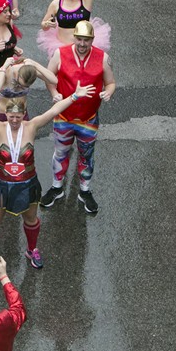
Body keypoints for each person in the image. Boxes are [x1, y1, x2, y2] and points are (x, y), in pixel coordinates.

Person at [0, 83, 94, 277]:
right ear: (6, 114)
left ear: (23, 115)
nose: (14, 121)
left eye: (18, 117)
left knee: (31, 220)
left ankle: (32, 250)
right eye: (11, 116)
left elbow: (54, 109)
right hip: (3, 185)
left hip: (27, 184)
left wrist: (75, 96)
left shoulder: (32, 125)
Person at [42, 21, 116, 215]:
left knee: (86, 155)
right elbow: (49, 77)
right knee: (60, 153)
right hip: (63, 116)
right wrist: (53, 93)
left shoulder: (102, 58)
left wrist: (108, 92)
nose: (82, 44)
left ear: (92, 40)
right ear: (74, 37)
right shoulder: (60, 54)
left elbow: (111, 82)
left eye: (86, 40)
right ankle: (57, 187)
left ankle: (85, 191)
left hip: (88, 119)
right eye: (79, 39)